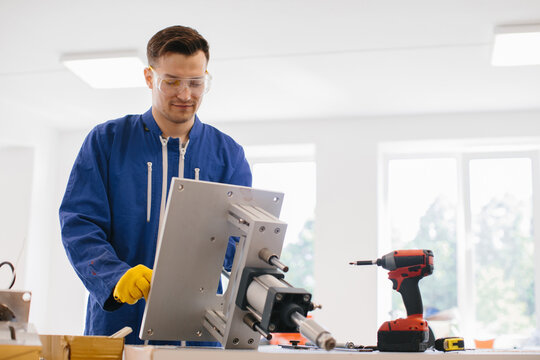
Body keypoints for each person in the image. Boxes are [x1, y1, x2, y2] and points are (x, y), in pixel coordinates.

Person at [59, 25, 252, 345]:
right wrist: (115, 276)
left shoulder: (227, 154)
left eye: (196, 82)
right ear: (149, 77)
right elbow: (79, 225)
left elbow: (239, 241)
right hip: (119, 327)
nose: (185, 94)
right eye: (172, 81)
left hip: (198, 334)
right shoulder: (106, 142)